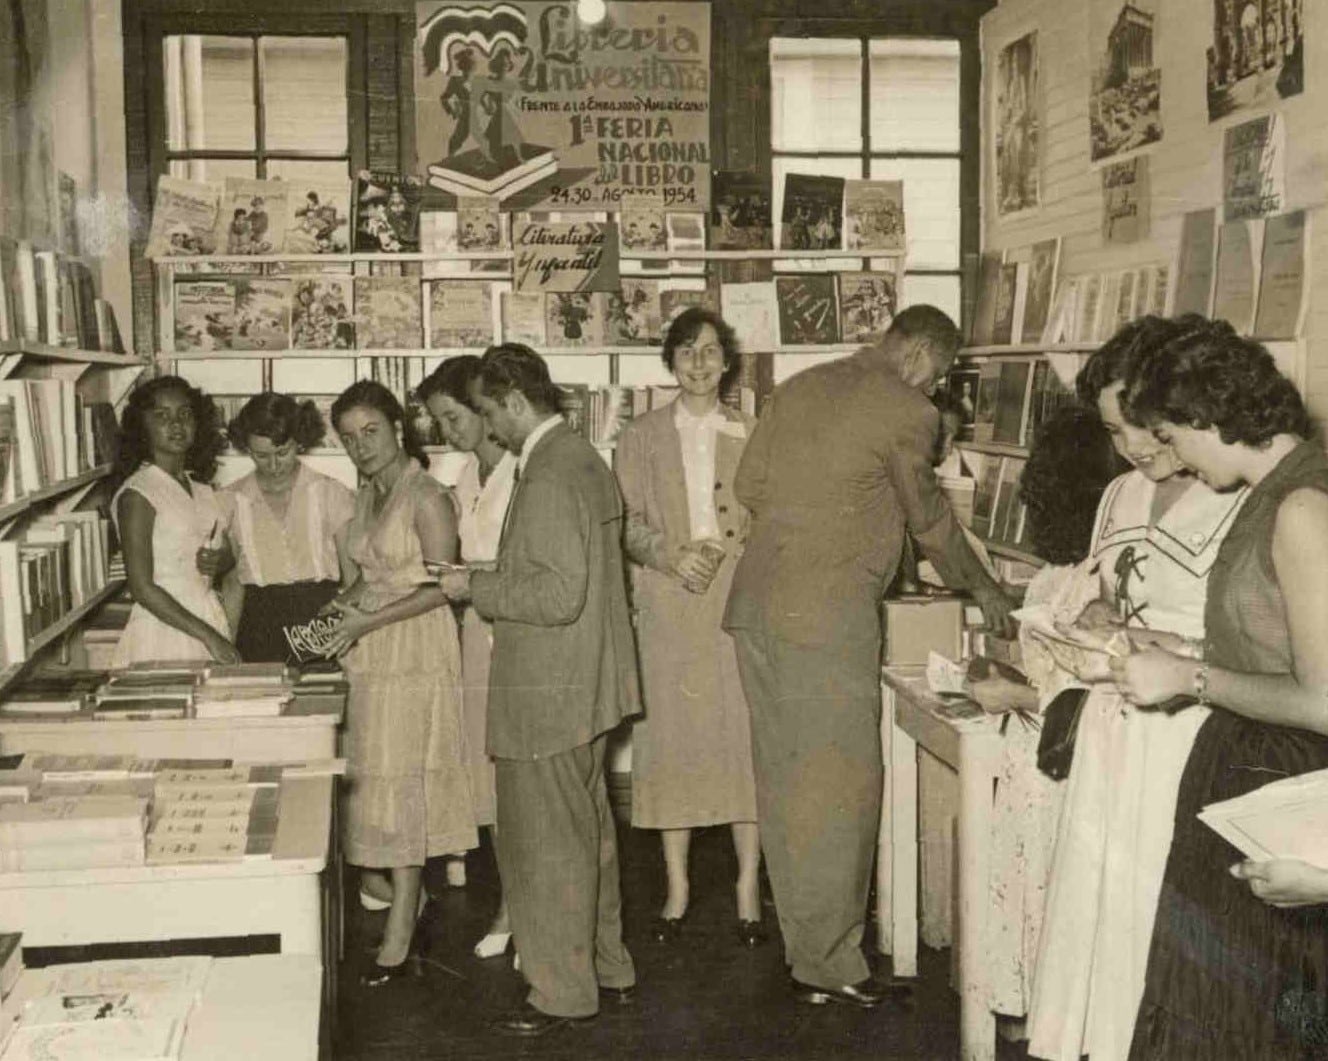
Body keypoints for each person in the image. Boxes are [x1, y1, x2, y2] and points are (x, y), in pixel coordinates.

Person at [722, 305, 1017, 1007]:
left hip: (757, 606)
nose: (937, 387)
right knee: (842, 788)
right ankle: (831, 963)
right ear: (919, 354)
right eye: (940, 374)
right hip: (823, 618)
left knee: (787, 783)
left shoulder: (800, 384)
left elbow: (750, 488)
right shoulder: (905, 407)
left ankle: (810, 952)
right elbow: (933, 523)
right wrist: (987, 588)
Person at [1025, 316, 1250, 1061]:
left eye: (1144, 426)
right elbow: (1114, 596)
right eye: (1117, 433)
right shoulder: (1118, 493)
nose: (1136, 447)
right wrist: (1098, 613)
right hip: (1110, 729)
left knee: (1162, 924)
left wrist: (1181, 653)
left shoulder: (1239, 495)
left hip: (1188, 734)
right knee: (1100, 916)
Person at [1107, 321, 1328, 1058]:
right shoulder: (1272, 492)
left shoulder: (1301, 506)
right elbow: (1274, 642)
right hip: (1240, 765)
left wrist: (1189, 677)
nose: (1172, 456)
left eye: (1172, 434)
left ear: (1208, 417)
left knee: (1245, 1020)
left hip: (1280, 786)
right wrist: (1183, 648)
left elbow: (1324, 699)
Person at [435, 344, 639, 1037]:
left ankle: (559, 991)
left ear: (515, 403)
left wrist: (476, 586)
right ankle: (607, 968)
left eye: (492, 412)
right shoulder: (583, 459)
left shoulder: (547, 472)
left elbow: (557, 592)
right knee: (588, 836)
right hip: (586, 683)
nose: (490, 428)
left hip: (546, 689)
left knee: (544, 842)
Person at [967, 406, 1126, 1018]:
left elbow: (1100, 694)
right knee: (1033, 900)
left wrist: (1020, 696)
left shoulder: (1089, 578)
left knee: (1054, 907)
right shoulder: (1060, 575)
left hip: (1066, 769)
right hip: (1035, 764)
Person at [615, 308, 765, 947]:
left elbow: (771, 514)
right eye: (686, 352)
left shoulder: (754, 430)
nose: (699, 364)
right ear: (670, 362)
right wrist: (671, 556)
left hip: (736, 599)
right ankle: (676, 885)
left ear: (727, 361)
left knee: (742, 740)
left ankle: (747, 885)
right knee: (672, 742)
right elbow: (624, 521)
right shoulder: (639, 436)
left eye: (710, 352)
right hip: (671, 600)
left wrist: (730, 553)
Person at [320, 380, 476, 987]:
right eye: (350, 438)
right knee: (376, 780)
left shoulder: (427, 495)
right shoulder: (368, 495)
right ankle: (398, 895)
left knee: (406, 774)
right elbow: (369, 576)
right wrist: (332, 619)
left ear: (397, 427)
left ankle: (403, 926)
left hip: (416, 645)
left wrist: (369, 618)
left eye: (371, 433)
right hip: (371, 649)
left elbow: (445, 586)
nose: (361, 447)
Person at [417, 356, 518, 956]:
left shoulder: (523, 471)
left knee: (521, 783)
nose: (449, 433)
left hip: (517, 638)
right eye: (439, 422)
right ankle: (512, 903)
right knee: (492, 781)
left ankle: (520, 911)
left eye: (455, 417)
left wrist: (469, 576)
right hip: (477, 638)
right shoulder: (464, 482)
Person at [113, 375, 237, 667]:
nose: (177, 424)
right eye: (162, 415)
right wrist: (209, 637)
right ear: (142, 426)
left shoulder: (203, 489)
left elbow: (229, 555)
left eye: (185, 414)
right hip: (163, 630)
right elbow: (142, 587)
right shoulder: (138, 493)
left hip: (208, 617)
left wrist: (221, 561)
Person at [219, 394, 354, 662]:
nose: (273, 465)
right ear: (246, 448)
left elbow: (353, 576)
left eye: (283, 452)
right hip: (258, 625)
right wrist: (227, 644)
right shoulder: (229, 500)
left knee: (322, 700)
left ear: (299, 442)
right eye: (261, 455)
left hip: (320, 617)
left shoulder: (332, 493)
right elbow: (233, 582)